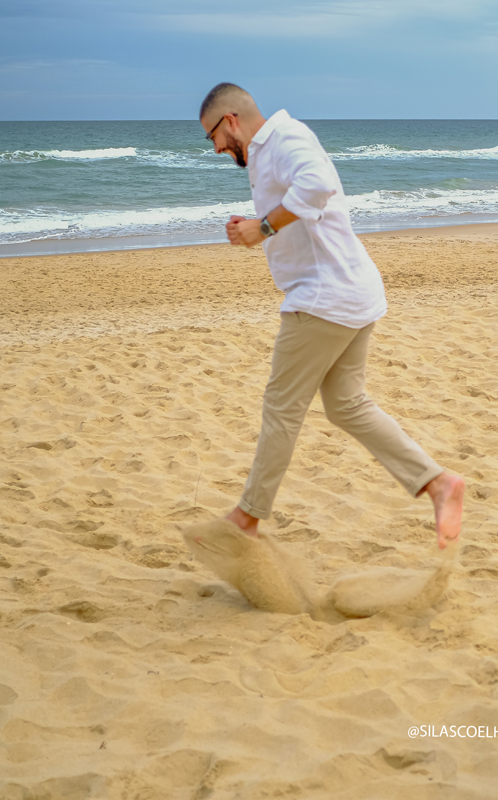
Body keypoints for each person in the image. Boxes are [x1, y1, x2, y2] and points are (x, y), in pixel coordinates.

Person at [198, 82, 464, 549]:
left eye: (212, 136)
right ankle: (438, 484)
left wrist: (260, 229)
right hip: (351, 292)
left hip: (323, 298)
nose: (216, 148)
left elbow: (317, 186)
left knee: (281, 408)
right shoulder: (265, 152)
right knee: (346, 404)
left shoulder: (285, 137)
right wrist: (260, 226)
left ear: (230, 121)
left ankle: (246, 518)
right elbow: (303, 204)